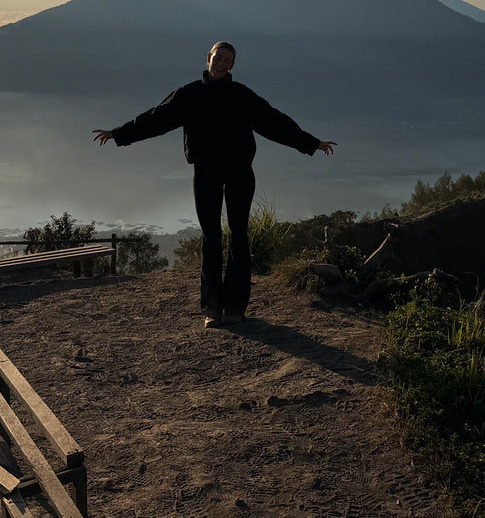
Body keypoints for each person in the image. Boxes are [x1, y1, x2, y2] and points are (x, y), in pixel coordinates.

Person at [93, 41, 335, 328]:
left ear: (232, 65)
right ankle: (213, 308)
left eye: (228, 60)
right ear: (208, 58)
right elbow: (155, 118)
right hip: (205, 172)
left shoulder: (242, 95)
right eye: (218, 57)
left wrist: (311, 143)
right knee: (210, 237)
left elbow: (275, 122)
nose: (221, 63)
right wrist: (119, 133)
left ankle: (235, 307)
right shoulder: (189, 94)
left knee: (239, 236)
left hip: (240, 172)